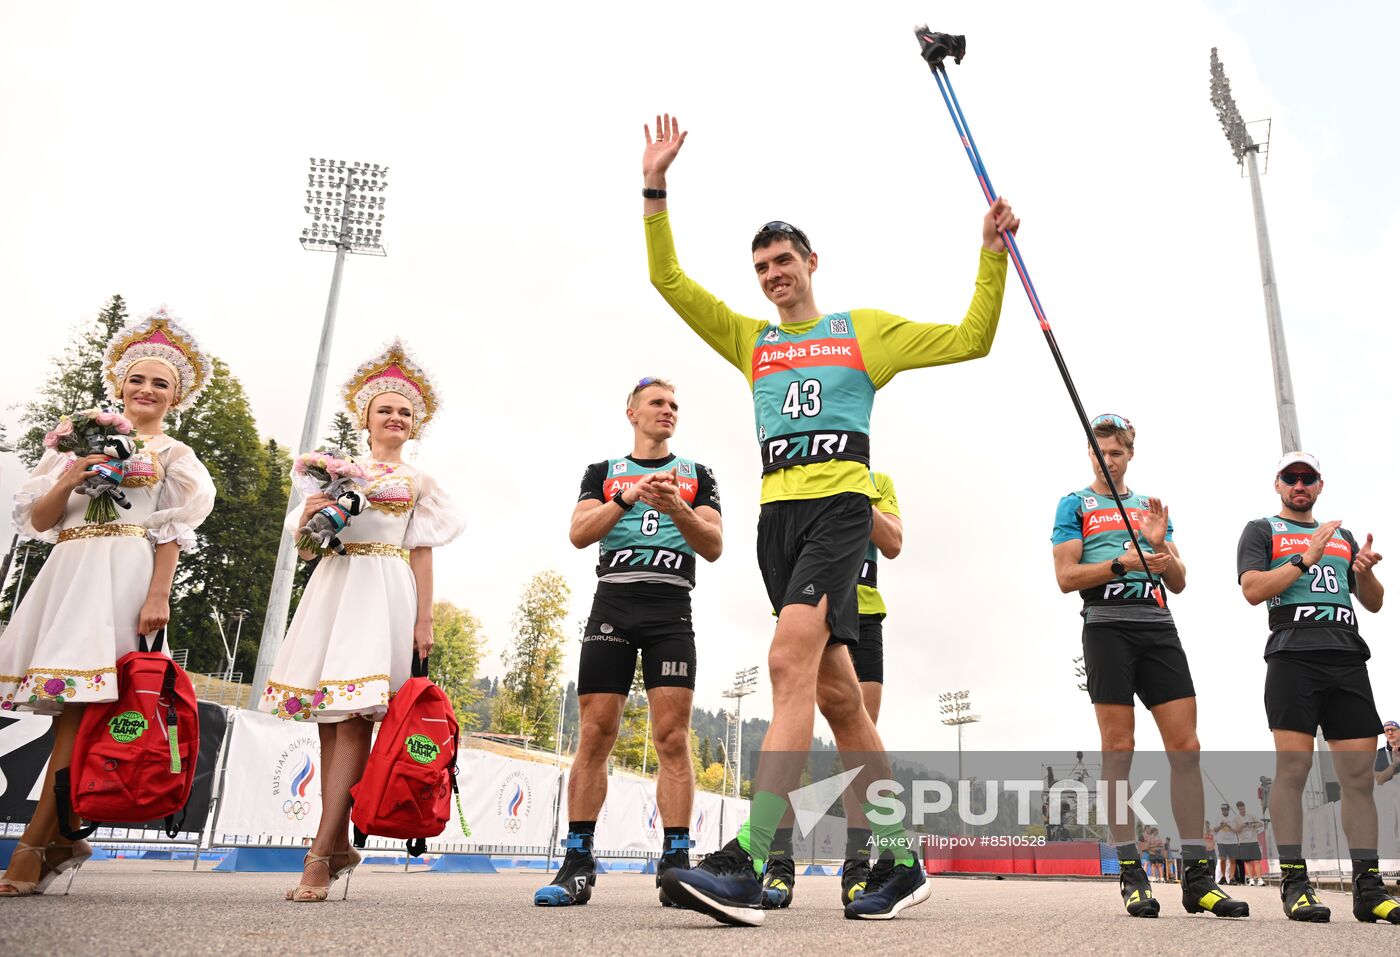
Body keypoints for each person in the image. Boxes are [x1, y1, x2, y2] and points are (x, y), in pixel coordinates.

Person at [642, 113, 1017, 926]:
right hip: (776, 522)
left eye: (785, 261)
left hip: (842, 511)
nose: (774, 275)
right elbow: (669, 281)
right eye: (762, 267)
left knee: (788, 665)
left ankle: (749, 856)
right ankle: (900, 853)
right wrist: (656, 190)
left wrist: (990, 256)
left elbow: (972, 338)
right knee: (843, 699)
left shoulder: (863, 333)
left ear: (812, 262)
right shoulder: (750, 341)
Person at [0, 308, 216, 896]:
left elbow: (171, 530)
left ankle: (33, 848)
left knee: (82, 715)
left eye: (161, 383)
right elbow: (39, 519)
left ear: (176, 396)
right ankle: (64, 837)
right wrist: (73, 475)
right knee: (66, 715)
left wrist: (158, 596)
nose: (147, 390)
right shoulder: (77, 443)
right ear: (118, 384)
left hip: (123, 577)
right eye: (137, 379)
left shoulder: (174, 455)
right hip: (68, 574)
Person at [259, 340, 462, 903]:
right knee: (332, 725)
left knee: (356, 724)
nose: (394, 418)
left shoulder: (420, 482)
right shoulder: (330, 471)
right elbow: (304, 548)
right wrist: (313, 509)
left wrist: (424, 620)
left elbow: (421, 550)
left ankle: (320, 854)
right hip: (335, 586)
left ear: (414, 424)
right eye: (385, 410)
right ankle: (338, 843)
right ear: (365, 418)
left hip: (386, 591)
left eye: (404, 412)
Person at [535, 377, 722, 908]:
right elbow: (578, 533)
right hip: (613, 606)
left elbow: (713, 545)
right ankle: (576, 862)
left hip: (670, 612)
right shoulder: (603, 473)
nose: (668, 411)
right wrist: (628, 497)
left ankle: (677, 865)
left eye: (674, 406)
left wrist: (675, 507)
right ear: (632, 413)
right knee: (596, 733)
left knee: (671, 737)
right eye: (658, 403)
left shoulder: (696, 475)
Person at [1051, 413, 1247, 918]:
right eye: (1099, 452)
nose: (1107, 459)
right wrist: (1124, 563)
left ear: (1130, 455)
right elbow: (1067, 576)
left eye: (1116, 452)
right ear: (1089, 453)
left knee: (1187, 749)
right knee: (1119, 750)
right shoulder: (1075, 504)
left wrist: (1158, 547)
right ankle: (1133, 874)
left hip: (1157, 626)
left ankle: (1198, 878)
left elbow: (1179, 581)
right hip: (1107, 625)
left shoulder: (1148, 506)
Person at [1236, 452, 1400, 923]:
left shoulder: (1343, 536)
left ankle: (1369, 889)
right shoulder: (1261, 530)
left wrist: (1366, 573)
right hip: (1292, 657)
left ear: (1320, 485)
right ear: (1278, 484)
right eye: (1292, 478)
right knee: (1293, 769)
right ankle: (1295, 882)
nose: (1300, 484)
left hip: (1347, 657)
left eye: (1308, 478)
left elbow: (1375, 603)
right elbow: (1252, 589)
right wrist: (1304, 559)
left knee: (1358, 779)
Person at [762, 471, 903, 909]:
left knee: (858, 741)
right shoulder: (801, 471)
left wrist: (852, 494)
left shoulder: (877, 480)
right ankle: (778, 865)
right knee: (789, 719)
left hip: (863, 613)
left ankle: (859, 867)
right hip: (809, 605)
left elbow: (894, 543)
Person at [1234, 801, 1265, 886]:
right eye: (1240, 809)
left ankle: (1260, 879)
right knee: (1247, 862)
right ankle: (1251, 879)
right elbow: (1235, 830)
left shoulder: (1251, 816)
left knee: (1256, 860)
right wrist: (1242, 825)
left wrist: (1253, 824)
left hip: (1254, 841)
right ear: (1238, 809)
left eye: (1243, 808)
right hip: (1243, 842)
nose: (1242, 810)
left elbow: (1261, 823)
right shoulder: (1236, 819)